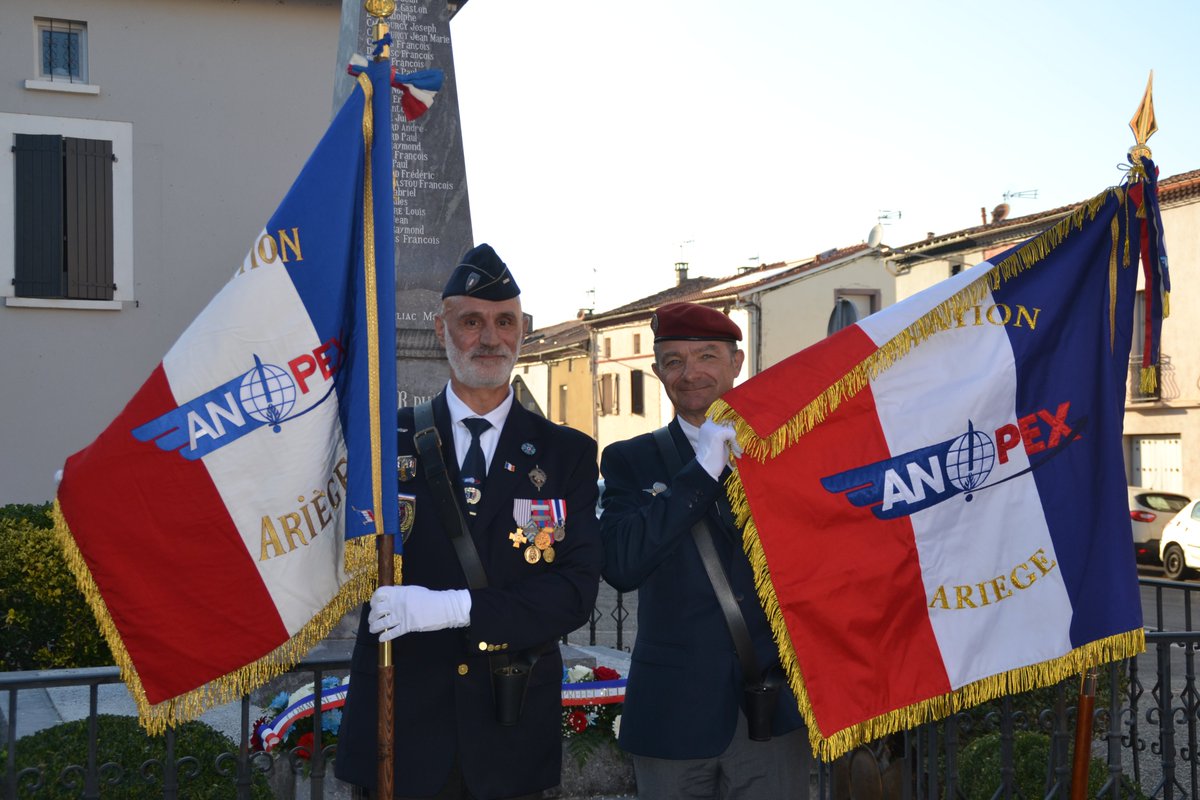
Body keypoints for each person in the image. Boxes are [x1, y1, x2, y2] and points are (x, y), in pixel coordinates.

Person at [336, 243, 602, 800]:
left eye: (505, 321)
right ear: (441, 330)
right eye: (471, 322)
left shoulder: (566, 455)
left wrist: (454, 608)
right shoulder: (384, 441)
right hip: (400, 725)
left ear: (523, 330)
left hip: (508, 731)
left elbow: (574, 595)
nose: (489, 337)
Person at [599, 302, 810, 799]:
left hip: (771, 708)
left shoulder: (785, 448)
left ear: (737, 363)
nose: (690, 373)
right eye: (674, 361)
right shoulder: (631, 459)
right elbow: (623, 564)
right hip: (672, 713)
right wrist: (701, 472)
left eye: (707, 356)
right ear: (657, 373)